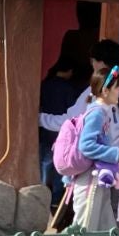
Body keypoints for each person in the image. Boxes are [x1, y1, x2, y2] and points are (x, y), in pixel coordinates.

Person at [67, 69, 119, 232]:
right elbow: (86, 145)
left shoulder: (100, 112)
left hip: (97, 178)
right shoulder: (97, 113)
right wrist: (116, 154)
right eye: (117, 88)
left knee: (102, 228)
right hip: (91, 179)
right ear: (105, 91)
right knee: (85, 230)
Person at [38, 59, 82, 209]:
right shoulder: (68, 88)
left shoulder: (44, 84)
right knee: (60, 166)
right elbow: (73, 114)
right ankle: (57, 199)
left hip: (44, 128)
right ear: (69, 71)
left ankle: (41, 195)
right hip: (62, 132)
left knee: (45, 163)